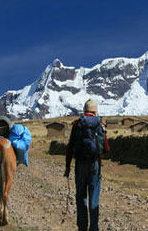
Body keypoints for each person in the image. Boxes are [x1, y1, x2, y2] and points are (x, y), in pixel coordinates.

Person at [64, 99, 110, 231]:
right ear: (95, 111)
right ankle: (94, 228)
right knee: (94, 198)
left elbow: (70, 147)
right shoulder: (100, 124)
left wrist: (68, 166)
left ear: (84, 111)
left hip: (80, 165)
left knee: (80, 196)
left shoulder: (77, 124)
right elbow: (106, 148)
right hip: (94, 165)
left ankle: (82, 227)